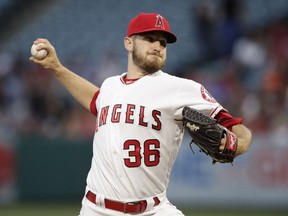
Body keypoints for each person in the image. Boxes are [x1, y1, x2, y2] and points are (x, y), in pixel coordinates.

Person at [29, 12, 252, 216]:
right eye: (149, 38)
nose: (157, 45)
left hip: (153, 209)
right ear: (128, 42)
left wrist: (238, 145)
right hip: (95, 209)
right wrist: (57, 68)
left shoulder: (181, 89)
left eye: (163, 42)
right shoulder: (110, 85)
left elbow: (239, 129)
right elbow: (96, 100)